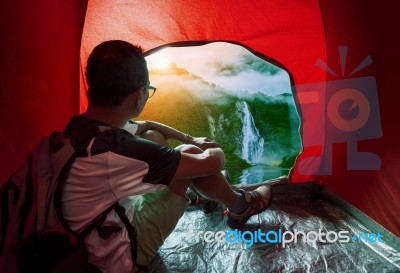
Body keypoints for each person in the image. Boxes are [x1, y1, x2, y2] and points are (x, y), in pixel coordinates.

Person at [61, 40, 272, 273]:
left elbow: (148, 125)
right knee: (191, 157)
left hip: (76, 242)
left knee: (156, 136)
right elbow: (214, 161)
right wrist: (209, 146)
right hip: (115, 259)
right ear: (139, 94)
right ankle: (241, 205)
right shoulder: (121, 151)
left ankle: (210, 194)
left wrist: (189, 138)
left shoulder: (75, 132)